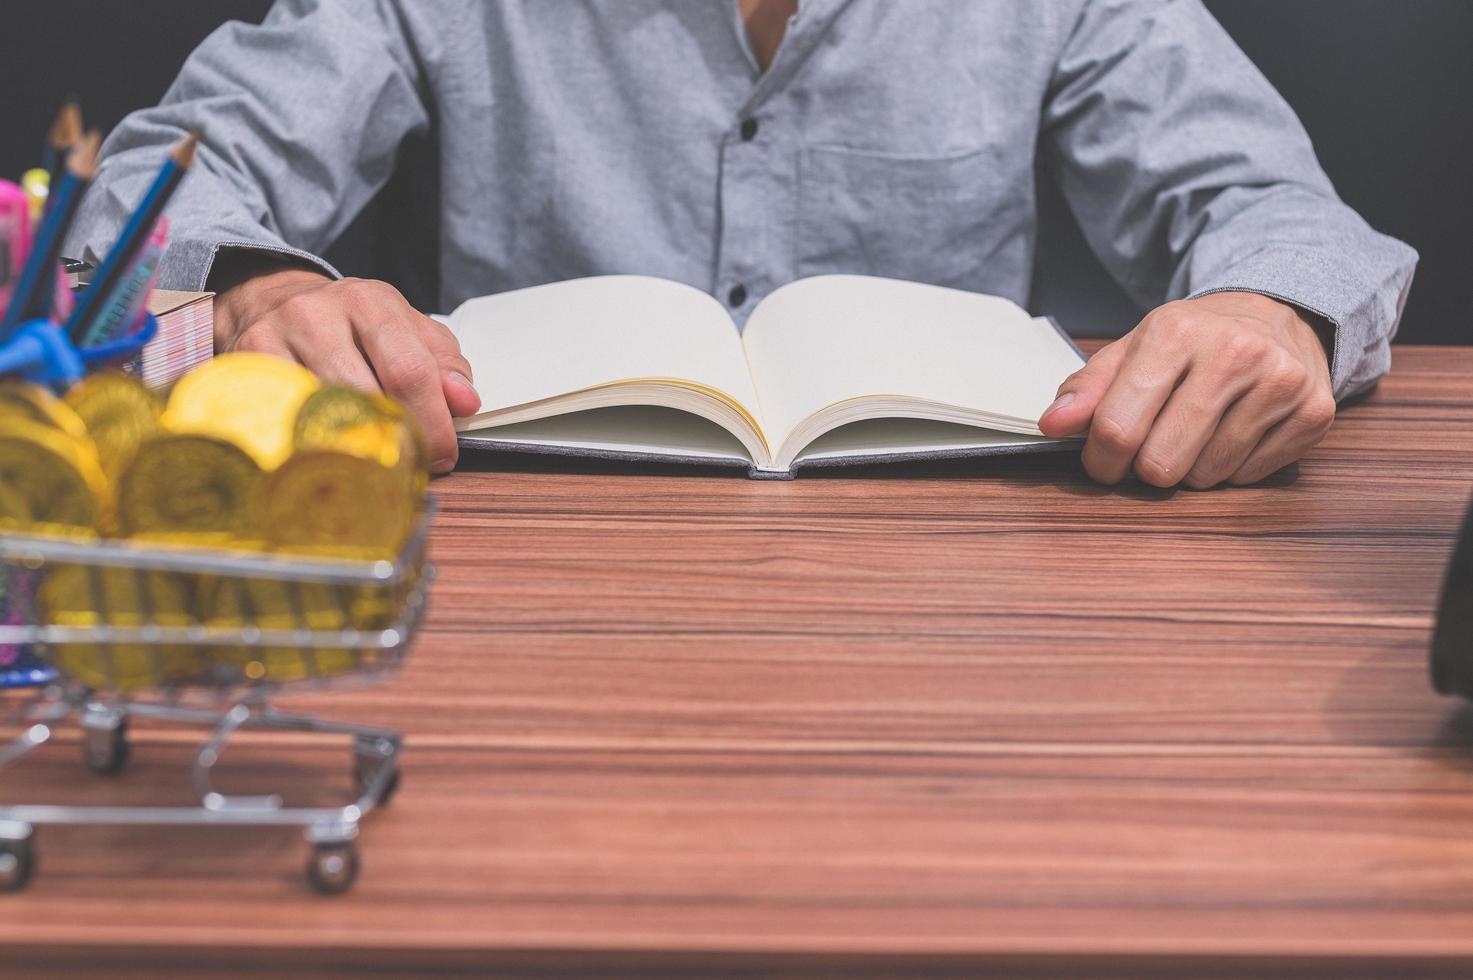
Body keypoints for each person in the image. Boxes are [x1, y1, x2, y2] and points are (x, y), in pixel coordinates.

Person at [66, 0, 1417, 486]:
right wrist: (245, 288)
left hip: (956, 589)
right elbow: (138, 193)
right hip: (516, 555)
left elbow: (1282, 217)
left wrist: (1267, 311)